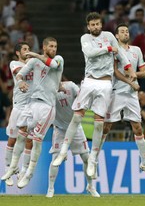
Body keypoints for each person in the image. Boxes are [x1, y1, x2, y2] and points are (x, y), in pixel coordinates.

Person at [52, 12, 136, 179]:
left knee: (99, 124)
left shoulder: (109, 36)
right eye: (93, 25)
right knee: (76, 117)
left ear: (101, 24)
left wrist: (129, 67)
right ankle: (63, 151)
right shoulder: (85, 38)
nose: (96, 27)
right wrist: (108, 49)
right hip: (89, 81)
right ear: (88, 26)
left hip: (105, 83)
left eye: (98, 24)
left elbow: (120, 53)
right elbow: (90, 53)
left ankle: (93, 160)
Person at [1, 37, 64, 188]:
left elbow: (53, 64)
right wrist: (20, 80)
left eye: (55, 46)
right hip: (31, 103)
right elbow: (20, 73)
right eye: (51, 46)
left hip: (47, 107)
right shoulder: (33, 63)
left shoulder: (58, 59)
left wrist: (35, 55)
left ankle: (28, 172)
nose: (54, 49)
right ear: (44, 47)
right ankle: (11, 169)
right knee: (21, 134)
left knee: (35, 140)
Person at [97, 23, 145, 179]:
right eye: (122, 31)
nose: (125, 33)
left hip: (131, 95)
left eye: (127, 31)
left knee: (137, 128)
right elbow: (115, 72)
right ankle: (94, 158)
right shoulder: (115, 51)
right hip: (116, 92)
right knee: (107, 126)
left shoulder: (136, 50)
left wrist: (134, 74)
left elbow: (143, 72)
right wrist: (130, 80)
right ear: (116, 36)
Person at [46, 81, 99, 198]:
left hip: (75, 127)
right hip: (59, 129)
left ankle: (90, 186)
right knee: (55, 159)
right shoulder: (48, 90)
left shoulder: (70, 86)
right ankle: (50, 189)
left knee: (86, 157)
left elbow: (82, 97)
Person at [4, 42, 32, 187]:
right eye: (25, 50)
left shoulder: (33, 63)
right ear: (17, 53)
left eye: (29, 49)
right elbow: (20, 72)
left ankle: (24, 171)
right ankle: (9, 169)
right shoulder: (14, 63)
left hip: (32, 106)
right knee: (12, 139)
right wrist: (33, 61)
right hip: (19, 107)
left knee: (29, 140)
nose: (28, 51)